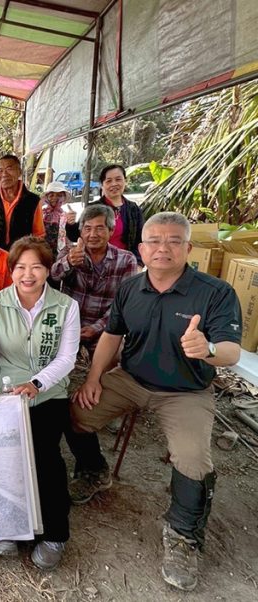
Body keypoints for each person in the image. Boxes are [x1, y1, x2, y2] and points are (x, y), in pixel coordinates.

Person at [69, 212, 242, 591]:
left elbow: (231, 351)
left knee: (193, 459)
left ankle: (183, 535)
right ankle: (94, 471)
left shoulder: (215, 292)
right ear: (142, 249)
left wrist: (208, 348)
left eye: (174, 241)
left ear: (188, 248)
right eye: (155, 241)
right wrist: (94, 377)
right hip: (131, 379)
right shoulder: (130, 288)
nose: (164, 248)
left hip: (186, 391)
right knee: (75, 412)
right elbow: (112, 336)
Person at [0, 236, 79, 570]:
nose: (28, 275)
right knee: (4, 458)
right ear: (11, 270)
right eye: (20, 268)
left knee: (45, 457)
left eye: (37, 267)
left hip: (47, 393)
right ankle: (8, 525)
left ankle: (55, 533)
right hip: (2, 394)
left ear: (48, 270)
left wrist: (37, 383)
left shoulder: (65, 306)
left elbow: (67, 358)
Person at [50, 205, 137, 354]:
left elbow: (124, 304)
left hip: (104, 330)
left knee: (117, 354)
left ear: (111, 231)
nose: (93, 234)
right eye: (87, 228)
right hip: (67, 326)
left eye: (99, 228)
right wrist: (69, 262)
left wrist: (96, 328)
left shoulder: (126, 260)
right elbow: (54, 275)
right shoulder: (70, 251)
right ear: (81, 231)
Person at [66, 164, 144, 262]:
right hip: (96, 263)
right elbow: (76, 235)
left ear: (125, 181)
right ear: (102, 185)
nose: (114, 184)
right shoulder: (93, 207)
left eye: (118, 179)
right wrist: (71, 223)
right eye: (109, 181)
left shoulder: (133, 209)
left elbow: (141, 240)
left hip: (125, 263)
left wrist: (137, 263)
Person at [0, 154, 45, 250]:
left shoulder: (33, 200)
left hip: (21, 253)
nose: (4, 174)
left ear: (19, 172)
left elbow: (38, 235)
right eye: (0, 171)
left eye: (9, 169)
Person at [41, 180, 74, 258]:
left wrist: (71, 224)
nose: (55, 198)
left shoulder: (66, 216)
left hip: (60, 255)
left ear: (63, 198)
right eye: (51, 195)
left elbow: (71, 236)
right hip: (42, 252)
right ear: (47, 197)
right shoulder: (41, 214)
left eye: (59, 195)